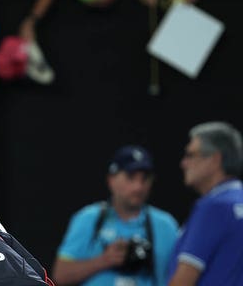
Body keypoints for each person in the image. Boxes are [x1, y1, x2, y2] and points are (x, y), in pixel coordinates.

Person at [52, 145, 179, 286]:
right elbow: (60, 276)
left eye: (145, 179)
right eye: (130, 177)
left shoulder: (165, 225)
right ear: (111, 180)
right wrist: (105, 260)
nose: (138, 187)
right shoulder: (88, 218)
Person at [167, 121, 243, 285]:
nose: (183, 163)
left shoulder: (214, 207)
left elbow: (183, 281)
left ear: (215, 159)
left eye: (191, 155)